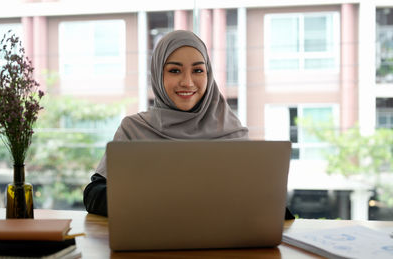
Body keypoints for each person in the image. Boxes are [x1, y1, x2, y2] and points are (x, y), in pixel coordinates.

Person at [83, 30, 294, 220]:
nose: (187, 82)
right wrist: (157, 201)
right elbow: (94, 194)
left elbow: (261, 200)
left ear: (208, 75)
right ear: (158, 75)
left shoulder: (231, 132)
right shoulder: (134, 129)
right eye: (175, 71)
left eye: (198, 71)